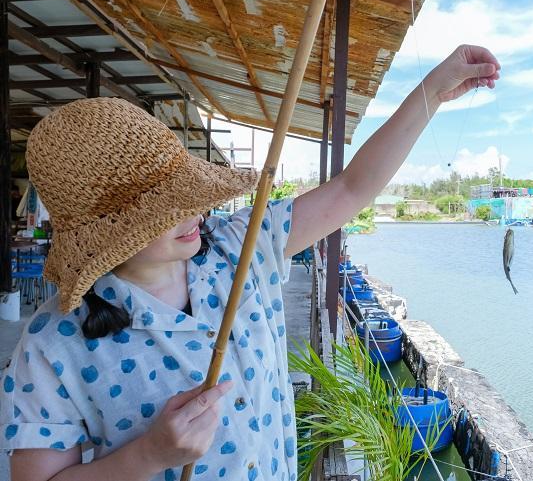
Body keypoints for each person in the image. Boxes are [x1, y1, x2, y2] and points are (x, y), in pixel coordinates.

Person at [0, 45, 499, 481]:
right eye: (165, 207)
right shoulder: (54, 344)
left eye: (188, 191)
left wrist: (433, 90)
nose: (194, 212)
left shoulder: (238, 249)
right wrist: (148, 456)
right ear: (107, 233)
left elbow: (352, 188)